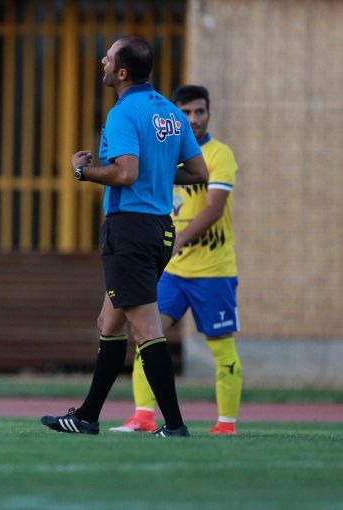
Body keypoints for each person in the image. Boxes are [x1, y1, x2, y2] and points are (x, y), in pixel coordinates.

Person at [41, 36, 208, 437]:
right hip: (159, 228)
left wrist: (82, 171)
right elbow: (199, 172)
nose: (102, 60)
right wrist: (159, 175)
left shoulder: (123, 113)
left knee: (146, 330)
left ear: (121, 72)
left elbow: (126, 173)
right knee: (108, 321)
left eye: (108, 57)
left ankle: (176, 425)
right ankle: (86, 417)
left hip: (130, 229)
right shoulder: (170, 112)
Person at [110, 85, 242, 435]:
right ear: (175, 117)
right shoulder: (164, 153)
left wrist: (179, 238)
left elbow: (214, 209)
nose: (193, 119)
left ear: (209, 114)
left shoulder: (219, 155)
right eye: (186, 112)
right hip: (172, 272)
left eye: (200, 111)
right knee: (146, 336)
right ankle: (143, 416)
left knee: (222, 350)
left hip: (213, 271)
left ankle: (225, 425)